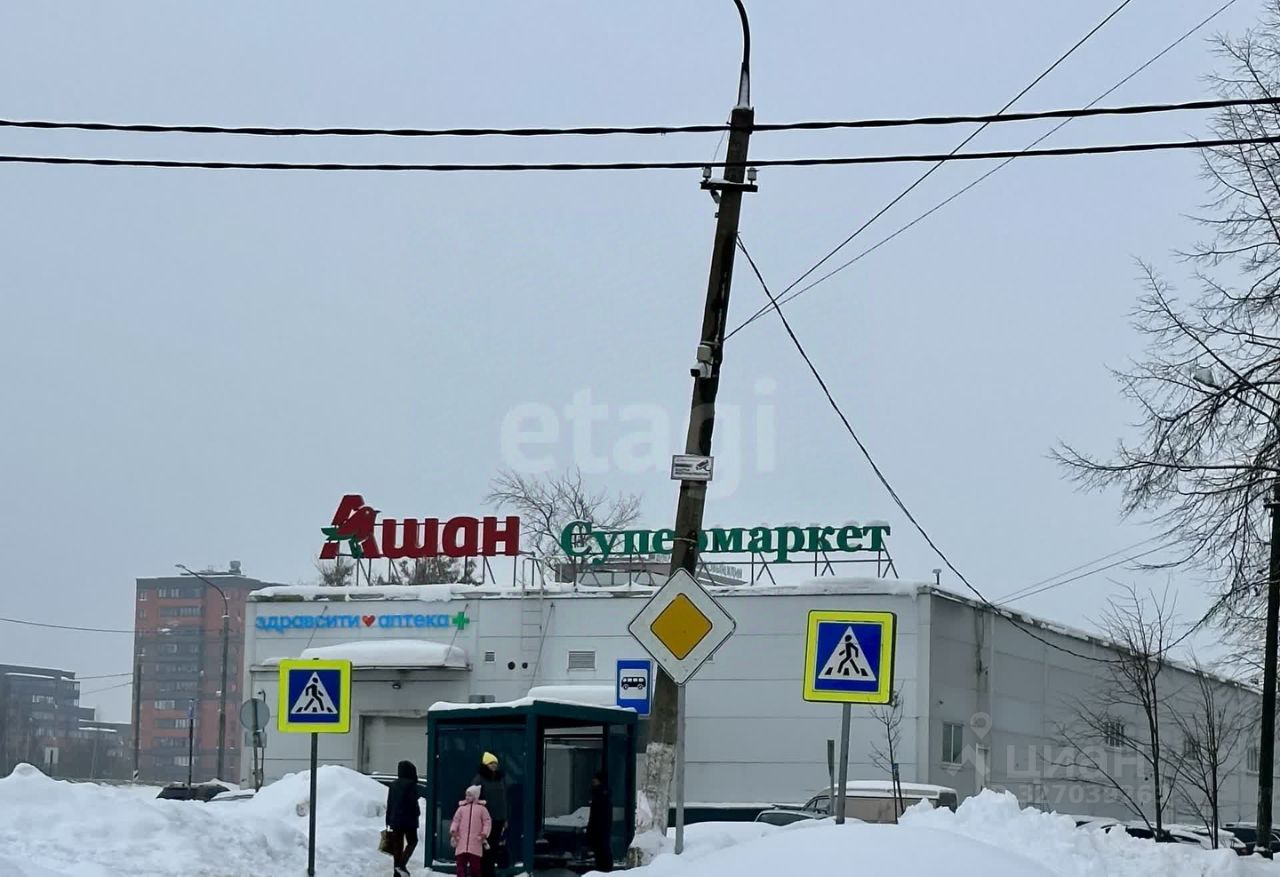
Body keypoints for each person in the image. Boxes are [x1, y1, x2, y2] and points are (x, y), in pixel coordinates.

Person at [472, 752, 508, 877]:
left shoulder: (500, 779)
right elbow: (473, 798)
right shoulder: (479, 779)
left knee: (493, 847)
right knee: (484, 848)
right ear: (486, 764)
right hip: (484, 821)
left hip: (498, 819)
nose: (494, 765)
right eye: (491, 763)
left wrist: (505, 818)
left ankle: (490, 872)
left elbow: (504, 799)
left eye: (495, 763)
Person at [385, 760, 422, 877]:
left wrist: (388, 820)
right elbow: (413, 803)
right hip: (409, 820)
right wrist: (417, 813)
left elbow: (390, 803)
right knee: (412, 841)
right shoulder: (411, 785)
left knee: (397, 847)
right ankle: (401, 865)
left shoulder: (393, 785)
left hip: (395, 820)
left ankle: (396, 873)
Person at [450, 784, 492, 877]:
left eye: (470, 795)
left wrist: (484, 833)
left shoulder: (482, 809)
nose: (467, 797)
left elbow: (487, 822)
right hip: (461, 841)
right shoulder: (461, 809)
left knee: (475, 867)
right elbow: (456, 820)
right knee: (460, 865)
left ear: (475, 796)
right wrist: (453, 830)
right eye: (466, 795)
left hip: (476, 842)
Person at [585, 770, 613, 872]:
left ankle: (603, 870)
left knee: (601, 851)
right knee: (602, 851)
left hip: (599, 829)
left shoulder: (600, 795)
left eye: (595, 779)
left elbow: (595, 816)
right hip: (601, 829)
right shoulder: (603, 794)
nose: (593, 781)